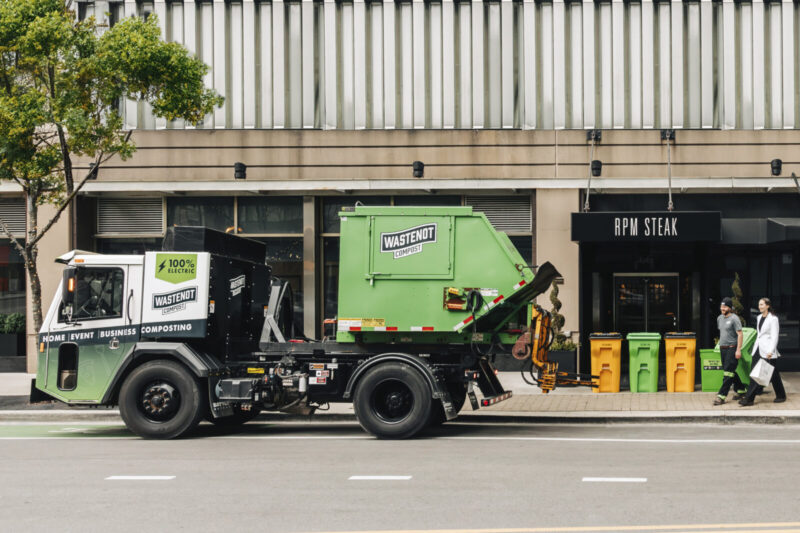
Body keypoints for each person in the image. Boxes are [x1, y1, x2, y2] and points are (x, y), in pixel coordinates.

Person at [739, 298, 785, 406]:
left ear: (767, 306)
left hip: (768, 350)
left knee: (759, 374)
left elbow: (774, 336)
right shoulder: (759, 317)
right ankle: (781, 395)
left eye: (762, 304)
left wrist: (771, 350)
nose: (759, 306)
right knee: (770, 374)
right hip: (758, 349)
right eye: (759, 305)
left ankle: (749, 399)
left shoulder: (773, 319)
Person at [714, 297, 747, 406]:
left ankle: (721, 396)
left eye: (725, 306)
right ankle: (741, 390)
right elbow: (722, 333)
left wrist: (738, 350)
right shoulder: (719, 318)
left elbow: (740, 334)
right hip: (723, 348)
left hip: (732, 348)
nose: (722, 308)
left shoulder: (734, 318)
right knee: (730, 371)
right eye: (721, 306)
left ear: (730, 307)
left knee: (727, 372)